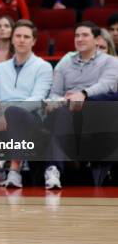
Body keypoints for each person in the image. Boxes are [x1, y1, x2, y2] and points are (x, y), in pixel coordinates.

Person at [0, 19, 53, 188]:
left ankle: (15, 171)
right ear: (12, 39)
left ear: (34, 41)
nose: (21, 40)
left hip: (30, 119)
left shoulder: (43, 66)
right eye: (18, 36)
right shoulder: (2, 67)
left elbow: (37, 99)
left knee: (14, 114)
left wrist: (6, 111)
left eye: (26, 37)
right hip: (1, 117)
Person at [44, 21, 118, 189]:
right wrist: (56, 101)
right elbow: (55, 92)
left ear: (96, 39)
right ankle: (53, 170)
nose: (80, 39)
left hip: (94, 114)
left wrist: (83, 94)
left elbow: (106, 85)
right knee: (60, 113)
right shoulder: (66, 61)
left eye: (85, 35)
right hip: (66, 110)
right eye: (77, 35)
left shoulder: (110, 61)